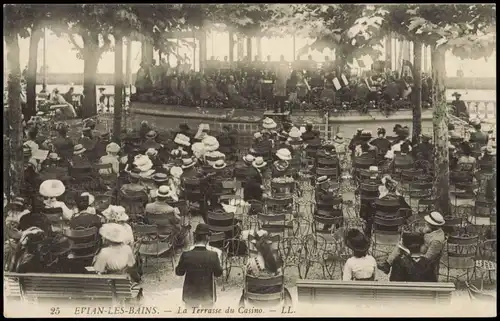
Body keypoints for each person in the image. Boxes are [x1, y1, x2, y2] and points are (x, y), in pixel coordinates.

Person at [379, 212, 446, 281]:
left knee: (398, 260)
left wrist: (410, 256)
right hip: (419, 249)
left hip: (422, 261)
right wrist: (422, 231)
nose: (425, 223)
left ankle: (388, 265)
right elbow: (419, 230)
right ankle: (387, 264)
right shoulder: (432, 230)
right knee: (401, 244)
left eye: (428, 222)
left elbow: (427, 259)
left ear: (433, 225)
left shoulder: (437, 241)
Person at [175, 223, 223, 308]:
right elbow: (218, 273)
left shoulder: (186, 255)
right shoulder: (213, 255)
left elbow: (179, 272)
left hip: (190, 296)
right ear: (207, 237)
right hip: (207, 295)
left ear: (195, 237)